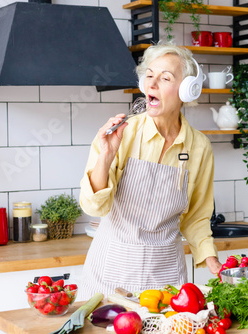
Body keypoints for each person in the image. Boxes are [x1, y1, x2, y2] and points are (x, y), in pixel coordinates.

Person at [79, 42, 222, 297]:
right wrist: (106, 155)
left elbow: (197, 216)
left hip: (166, 280)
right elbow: (94, 206)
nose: (152, 84)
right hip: (111, 275)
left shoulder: (199, 147)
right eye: (149, 76)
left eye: (165, 78)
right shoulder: (121, 134)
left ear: (187, 90)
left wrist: (210, 258)